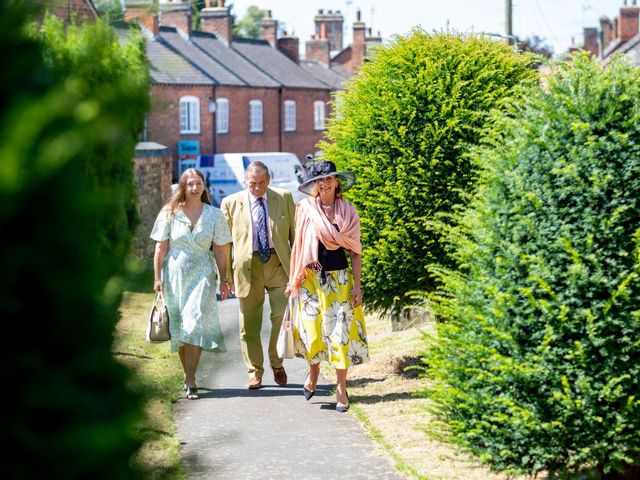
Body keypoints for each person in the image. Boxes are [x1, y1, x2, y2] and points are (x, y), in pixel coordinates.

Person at [285, 159, 369, 412]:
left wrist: (357, 285)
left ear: (337, 182)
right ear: (314, 185)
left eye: (329, 179)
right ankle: (313, 374)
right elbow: (298, 246)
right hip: (311, 280)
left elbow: (355, 251)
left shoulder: (348, 212)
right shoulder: (305, 209)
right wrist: (294, 278)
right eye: (318, 180)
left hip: (340, 280)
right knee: (313, 333)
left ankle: (341, 388)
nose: (324, 184)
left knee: (340, 334)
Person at [151, 168, 233, 400]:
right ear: (183, 187)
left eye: (198, 183)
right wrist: (157, 278)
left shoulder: (215, 215)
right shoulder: (169, 213)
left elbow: (220, 249)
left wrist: (224, 278)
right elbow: (161, 247)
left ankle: (190, 379)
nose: (195, 188)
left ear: (204, 186)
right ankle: (188, 374)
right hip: (175, 274)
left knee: (195, 322)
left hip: (203, 274)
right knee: (179, 328)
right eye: (190, 184)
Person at [220, 161, 295, 390]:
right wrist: (225, 277)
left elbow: (296, 236)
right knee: (249, 325)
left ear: (269, 180)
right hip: (247, 267)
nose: (257, 188)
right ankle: (255, 371)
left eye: (262, 183)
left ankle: (276, 361)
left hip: (277, 263)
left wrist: (298, 272)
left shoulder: (283, 198)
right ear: (246, 181)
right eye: (253, 183)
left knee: (282, 317)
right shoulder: (231, 203)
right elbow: (224, 244)